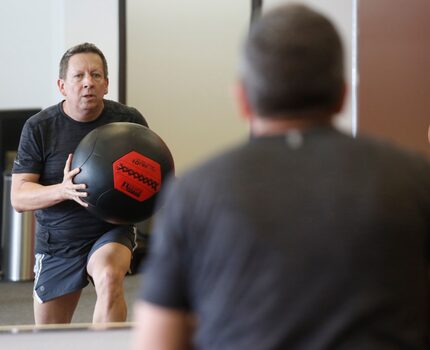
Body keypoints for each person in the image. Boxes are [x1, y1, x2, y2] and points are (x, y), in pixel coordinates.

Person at [132, 4, 430, 350]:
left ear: (243, 100)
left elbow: (158, 342)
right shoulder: (414, 178)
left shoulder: (193, 193)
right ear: (342, 96)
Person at [11, 42, 148, 325]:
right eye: (79, 76)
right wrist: (62, 190)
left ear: (107, 84)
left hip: (109, 230)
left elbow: (151, 174)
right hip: (57, 240)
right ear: (62, 85)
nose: (89, 83)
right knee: (50, 337)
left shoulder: (128, 121)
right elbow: (19, 197)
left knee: (110, 276)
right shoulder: (40, 127)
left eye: (96, 75)